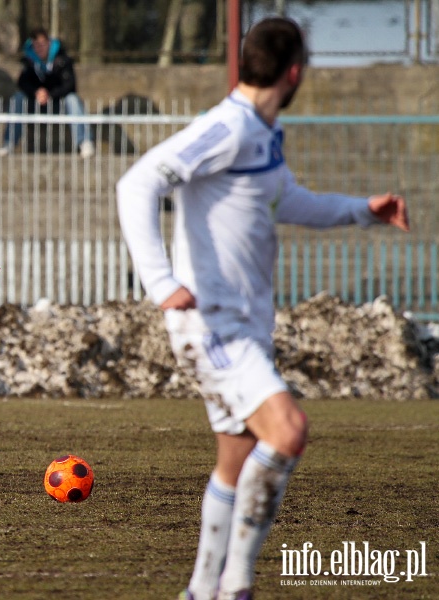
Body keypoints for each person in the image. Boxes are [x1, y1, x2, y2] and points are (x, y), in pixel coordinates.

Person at [116, 18, 409, 600]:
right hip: (212, 322)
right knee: (289, 429)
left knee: (237, 457)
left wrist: (361, 210)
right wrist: (159, 280)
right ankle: (235, 588)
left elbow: (286, 199)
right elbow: (138, 181)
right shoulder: (228, 127)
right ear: (296, 71)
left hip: (241, 326)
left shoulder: (260, 133)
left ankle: (203, 590)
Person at [0, 27, 94, 159]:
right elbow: (22, 82)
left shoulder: (63, 59)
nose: (39, 48)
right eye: (36, 45)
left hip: (58, 103)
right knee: (18, 98)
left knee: (73, 99)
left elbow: (69, 84)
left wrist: (50, 94)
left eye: (42, 44)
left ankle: (84, 141)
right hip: (35, 102)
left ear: (49, 43)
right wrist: (36, 92)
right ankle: (9, 142)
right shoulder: (29, 61)